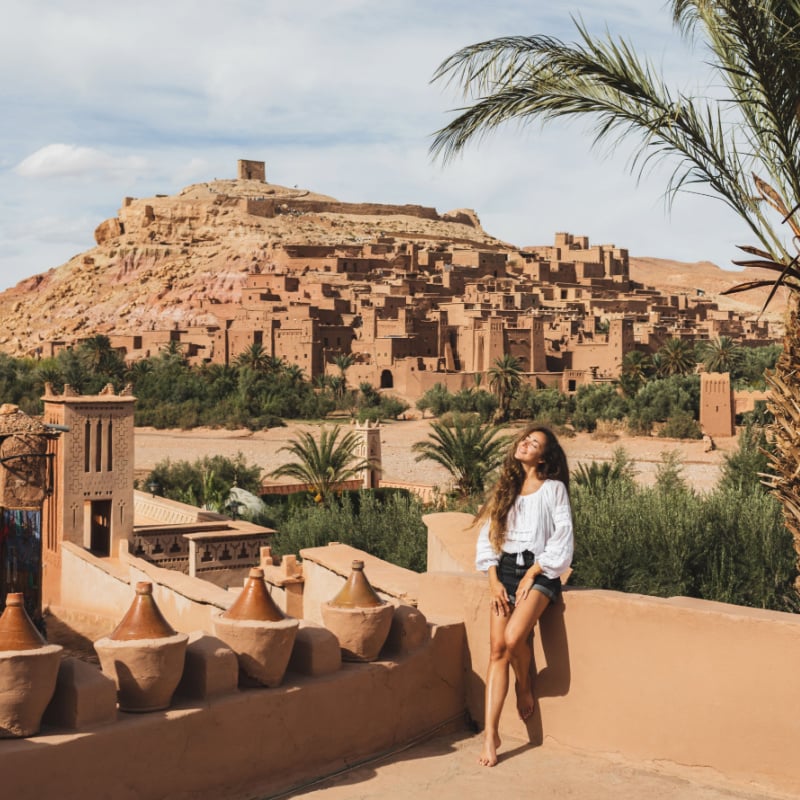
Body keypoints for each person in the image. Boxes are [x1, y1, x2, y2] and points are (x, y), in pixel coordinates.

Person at [474, 424, 573, 767]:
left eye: (534, 443)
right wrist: (493, 580)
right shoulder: (506, 489)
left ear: (544, 457)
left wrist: (534, 572)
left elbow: (563, 538)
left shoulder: (553, 490)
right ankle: (491, 735)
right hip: (503, 570)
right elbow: (488, 538)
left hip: (541, 570)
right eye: (525, 439)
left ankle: (523, 685)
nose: (525, 443)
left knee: (515, 639)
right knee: (497, 649)